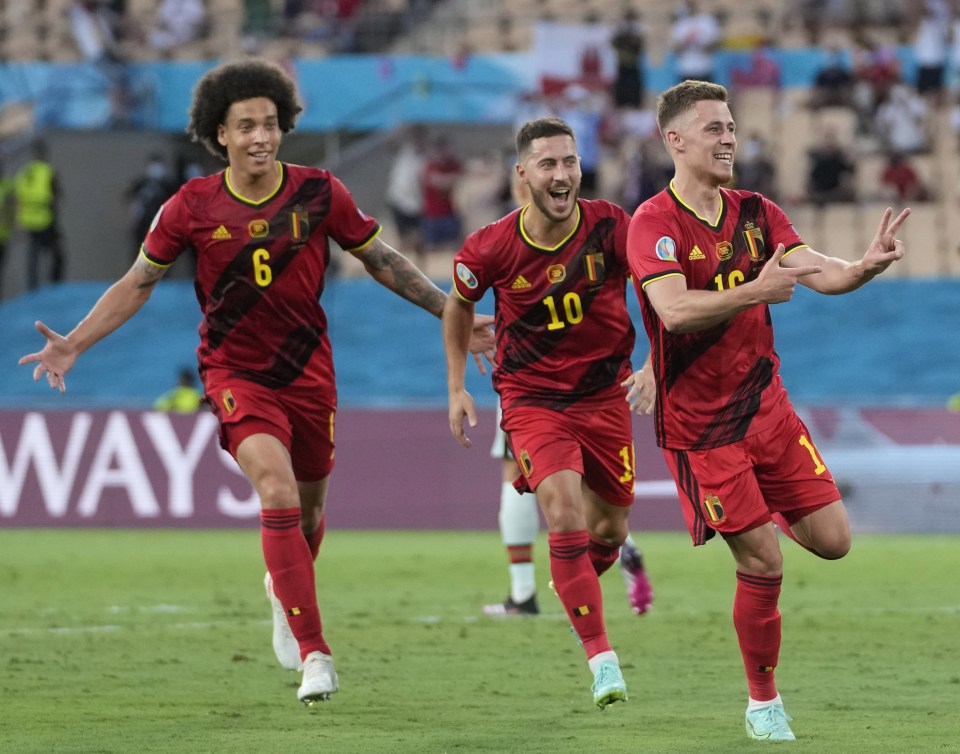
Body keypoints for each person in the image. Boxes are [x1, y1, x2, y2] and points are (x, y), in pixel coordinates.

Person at [19, 58, 495, 707]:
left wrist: (454, 316)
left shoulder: (321, 191)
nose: (259, 137)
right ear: (220, 134)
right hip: (235, 371)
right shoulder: (190, 206)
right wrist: (74, 341)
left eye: (269, 124)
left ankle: (282, 589)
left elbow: (382, 261)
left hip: (310, 372)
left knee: (310, 511)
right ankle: (316, 654)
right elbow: (137, 283)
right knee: (272, 488)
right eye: (245, 126)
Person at [625, 79, 910, 742]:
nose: (728, 139)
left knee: (835, 543)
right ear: (676, 140)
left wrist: (865, 266)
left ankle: (752, 512)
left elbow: (822, 272)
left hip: (768, 410)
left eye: (730, 127)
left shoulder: (756, 213)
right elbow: (671, 309)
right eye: (713, 129)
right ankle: (763, 702)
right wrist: (755, 288)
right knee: (764, 563)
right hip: (702, 429)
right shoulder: (653, 224)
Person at [444, 117, 653, 710]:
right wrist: (457, 386)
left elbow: (660, 292)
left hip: (606, 395)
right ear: (523, 174)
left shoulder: (612, 225)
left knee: (608, 528)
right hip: (532, 399)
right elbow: (458, 305)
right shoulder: (490, 246)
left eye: (569, 163)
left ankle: (576, 593)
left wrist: (656, 364)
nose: (561, 175)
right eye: (547, 164)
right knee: (561, 511)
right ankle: (602, 660)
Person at [14, 140, 65, 290]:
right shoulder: (48, 171)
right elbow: (56, 195)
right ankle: (56, 284)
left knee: (33, 254)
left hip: (28, 219)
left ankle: (32, 285)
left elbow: (18, 195)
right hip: (45, 218)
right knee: (57, 252)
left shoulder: (24, 172)